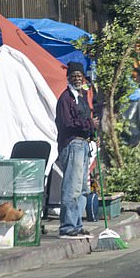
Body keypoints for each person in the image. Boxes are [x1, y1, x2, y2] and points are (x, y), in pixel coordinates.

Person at [56, 61, 97, 239]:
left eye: (79, 76)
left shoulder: (81, 98)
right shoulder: (66, 98)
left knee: (82, 189)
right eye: (74, 76)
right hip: (72, 144)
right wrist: (89, 124)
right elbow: (67, 123)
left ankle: (77, 224)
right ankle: (67, 227)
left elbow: (87, 121)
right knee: (72, 188)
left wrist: (93, 132)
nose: (77, 79)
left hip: (83, 145)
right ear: (69, 78)